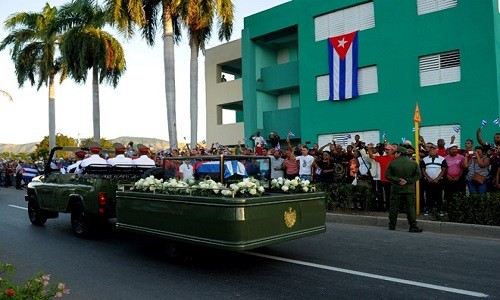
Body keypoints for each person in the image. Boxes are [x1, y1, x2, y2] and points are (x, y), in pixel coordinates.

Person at [385, 146, 423, 232]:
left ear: (399, 153)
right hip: (409, 189)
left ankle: (392, 225)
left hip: (396, 189)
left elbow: (387, 175)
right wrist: (408, 181)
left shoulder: (392, 163)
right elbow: (418, 175)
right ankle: (413, 226)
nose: (394, 155)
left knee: (394, 207)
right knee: (410, 207)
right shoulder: (413, 163)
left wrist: (398, 180)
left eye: (395, 153)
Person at [421, 143, 447, 216]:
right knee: (428, 195)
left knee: (439, 195)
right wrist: (428, 178)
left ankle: (439, 210)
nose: (432, 151)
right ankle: (429, 209)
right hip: (428, 181)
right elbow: (423, 169)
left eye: (434, 149)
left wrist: (437, 179)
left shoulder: (442, 159)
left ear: (437, 150)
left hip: (438, 181)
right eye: (431, 149)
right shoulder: (425, 159)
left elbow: (444, 169)